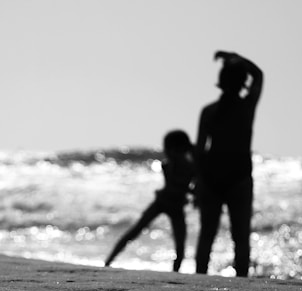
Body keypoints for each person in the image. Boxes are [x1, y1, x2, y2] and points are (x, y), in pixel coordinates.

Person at [193, 50, 263, 276]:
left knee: (208, 235)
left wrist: (198, 182)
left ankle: (199, 279)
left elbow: (199, 151)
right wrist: (238, 58)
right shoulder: (246, 107)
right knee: (240, 237)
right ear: (243, 82)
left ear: (221, 82)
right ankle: (240, 281)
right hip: (236, 179)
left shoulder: (210, 111)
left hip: (215, 179)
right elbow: (259, 75)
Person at [105, 130, 195, 272]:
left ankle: (175, 272)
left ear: (176, 149)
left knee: (180, 245)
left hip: (175, 206)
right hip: (163, 202)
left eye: (168, 148)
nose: (166, 152)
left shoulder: (188, 166)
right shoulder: (170, 165)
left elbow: (186, 186)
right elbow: (179, 184)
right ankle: (108, 262)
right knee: (135, 231)